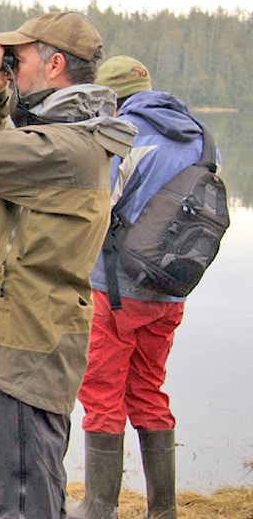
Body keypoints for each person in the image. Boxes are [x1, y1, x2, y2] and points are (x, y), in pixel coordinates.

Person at [0, 12, 138, 519]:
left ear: (56, 63)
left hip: (20, 348)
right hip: (14, 343)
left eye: (22, 57)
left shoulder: (67, 148)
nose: (12, 66)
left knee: (19, 502)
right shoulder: (67, 138)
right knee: (21, 490)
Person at [68, 56, 202, 519]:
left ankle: (99, 506)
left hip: (116, 291)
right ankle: (163, 510)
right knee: (148, 389)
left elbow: (97, 206)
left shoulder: (124, 136)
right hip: (171, 291)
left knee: (102, 393)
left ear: (110, 97)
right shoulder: (199, 135)